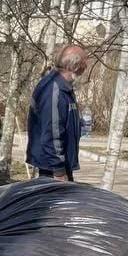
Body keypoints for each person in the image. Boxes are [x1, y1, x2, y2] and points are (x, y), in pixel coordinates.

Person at [26, 45, 87, 181]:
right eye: (84, 64)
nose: (85, 68)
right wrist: (59, 172)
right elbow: (51, 134)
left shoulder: (64, 87)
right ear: (75, 66)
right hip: (52, 169)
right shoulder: (54, 90)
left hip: (59, 165)